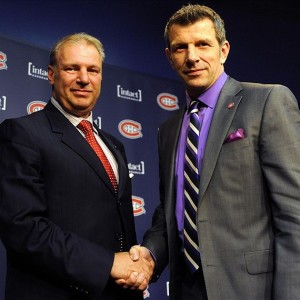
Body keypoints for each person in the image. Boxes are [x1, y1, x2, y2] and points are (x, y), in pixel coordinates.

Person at [130, 4, 300, 300]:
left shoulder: (267, 101)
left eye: (202, 44)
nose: (192, 56)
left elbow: (294, 216)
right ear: (170, 58)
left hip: (251, 290)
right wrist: (149, 255)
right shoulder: (168, 130)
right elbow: (173, 211)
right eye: (180, 47)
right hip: (187, 290)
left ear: (223, 50)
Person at [0, 33, 153, 300]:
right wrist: (108, 263)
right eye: (72, 68)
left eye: (93, 70)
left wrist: (135, 266)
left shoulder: (115, 145)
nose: (84, 78)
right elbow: (23, 228)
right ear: (51, 74)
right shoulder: (21, 133)